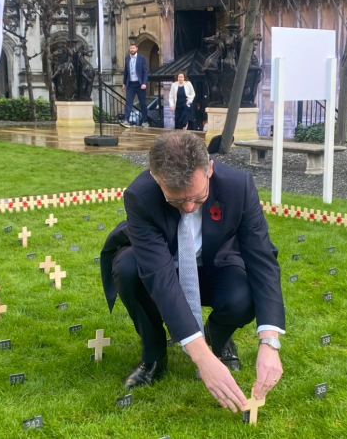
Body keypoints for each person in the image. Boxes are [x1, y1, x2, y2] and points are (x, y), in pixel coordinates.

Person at [99, 131, 284, 412]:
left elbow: (261, 259)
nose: (187, 208)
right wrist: (201, 358)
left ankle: (216, 338)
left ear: (209, 169)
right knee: (127, 268)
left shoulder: (239, 186)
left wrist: (269, 342)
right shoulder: (140, 196)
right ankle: (154, 356)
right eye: (175, 201)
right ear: (155, 177)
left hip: (214, 265)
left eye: (198, 198)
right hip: (161, 265)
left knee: (243, 294)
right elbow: (159, 278)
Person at [121, 43, 148, 128]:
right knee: (128, 102)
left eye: (133, 48)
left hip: (139, 84)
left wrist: (144, 83)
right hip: (130, 84)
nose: (132, 49)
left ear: (136, 49)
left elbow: (145, 71)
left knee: (142, 103)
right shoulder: (127, 58)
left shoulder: (141, 58)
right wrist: (124, 83)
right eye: (131, 48)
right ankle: (126, 120)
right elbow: (126, 71)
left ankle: (145, 121)